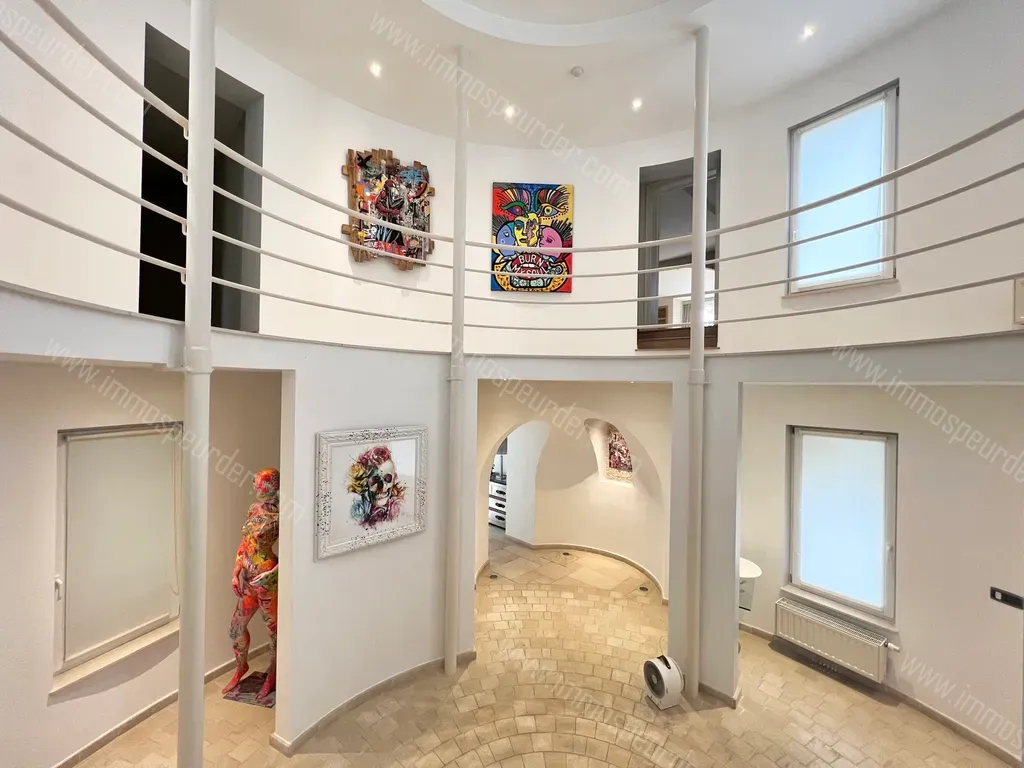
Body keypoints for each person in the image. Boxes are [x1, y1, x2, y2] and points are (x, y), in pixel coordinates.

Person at [222, 468, 279, 700]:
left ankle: (272, 676)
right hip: (248, 580)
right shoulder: (254, 508)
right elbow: (245, 542)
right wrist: (236, 570)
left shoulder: (282, 515)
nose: (255, 487)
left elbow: (294, 553)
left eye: (259, 483)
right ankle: (241, 666)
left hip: (266, 583)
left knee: (274, 634)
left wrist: (273, 574)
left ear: (272, 486)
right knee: (235, 629)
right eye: (255, 483)